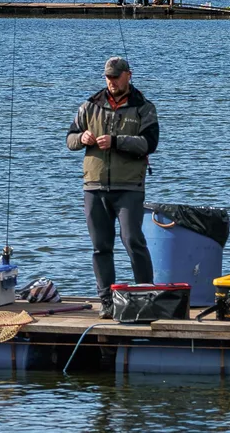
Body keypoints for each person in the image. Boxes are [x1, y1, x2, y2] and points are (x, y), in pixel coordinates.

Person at [67, 58, 160, 318]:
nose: (112, 81)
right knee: (101, 247)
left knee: (133, 241)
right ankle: (107, 302)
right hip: (94, 187)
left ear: (129, 75)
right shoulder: (89, 106)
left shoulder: (143, 107)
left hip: (129, 187)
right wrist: (81, 138)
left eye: (116, 76)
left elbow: (150, 143)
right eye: (108, 77)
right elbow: (70, 139)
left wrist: (117, 141)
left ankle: (145, 298)